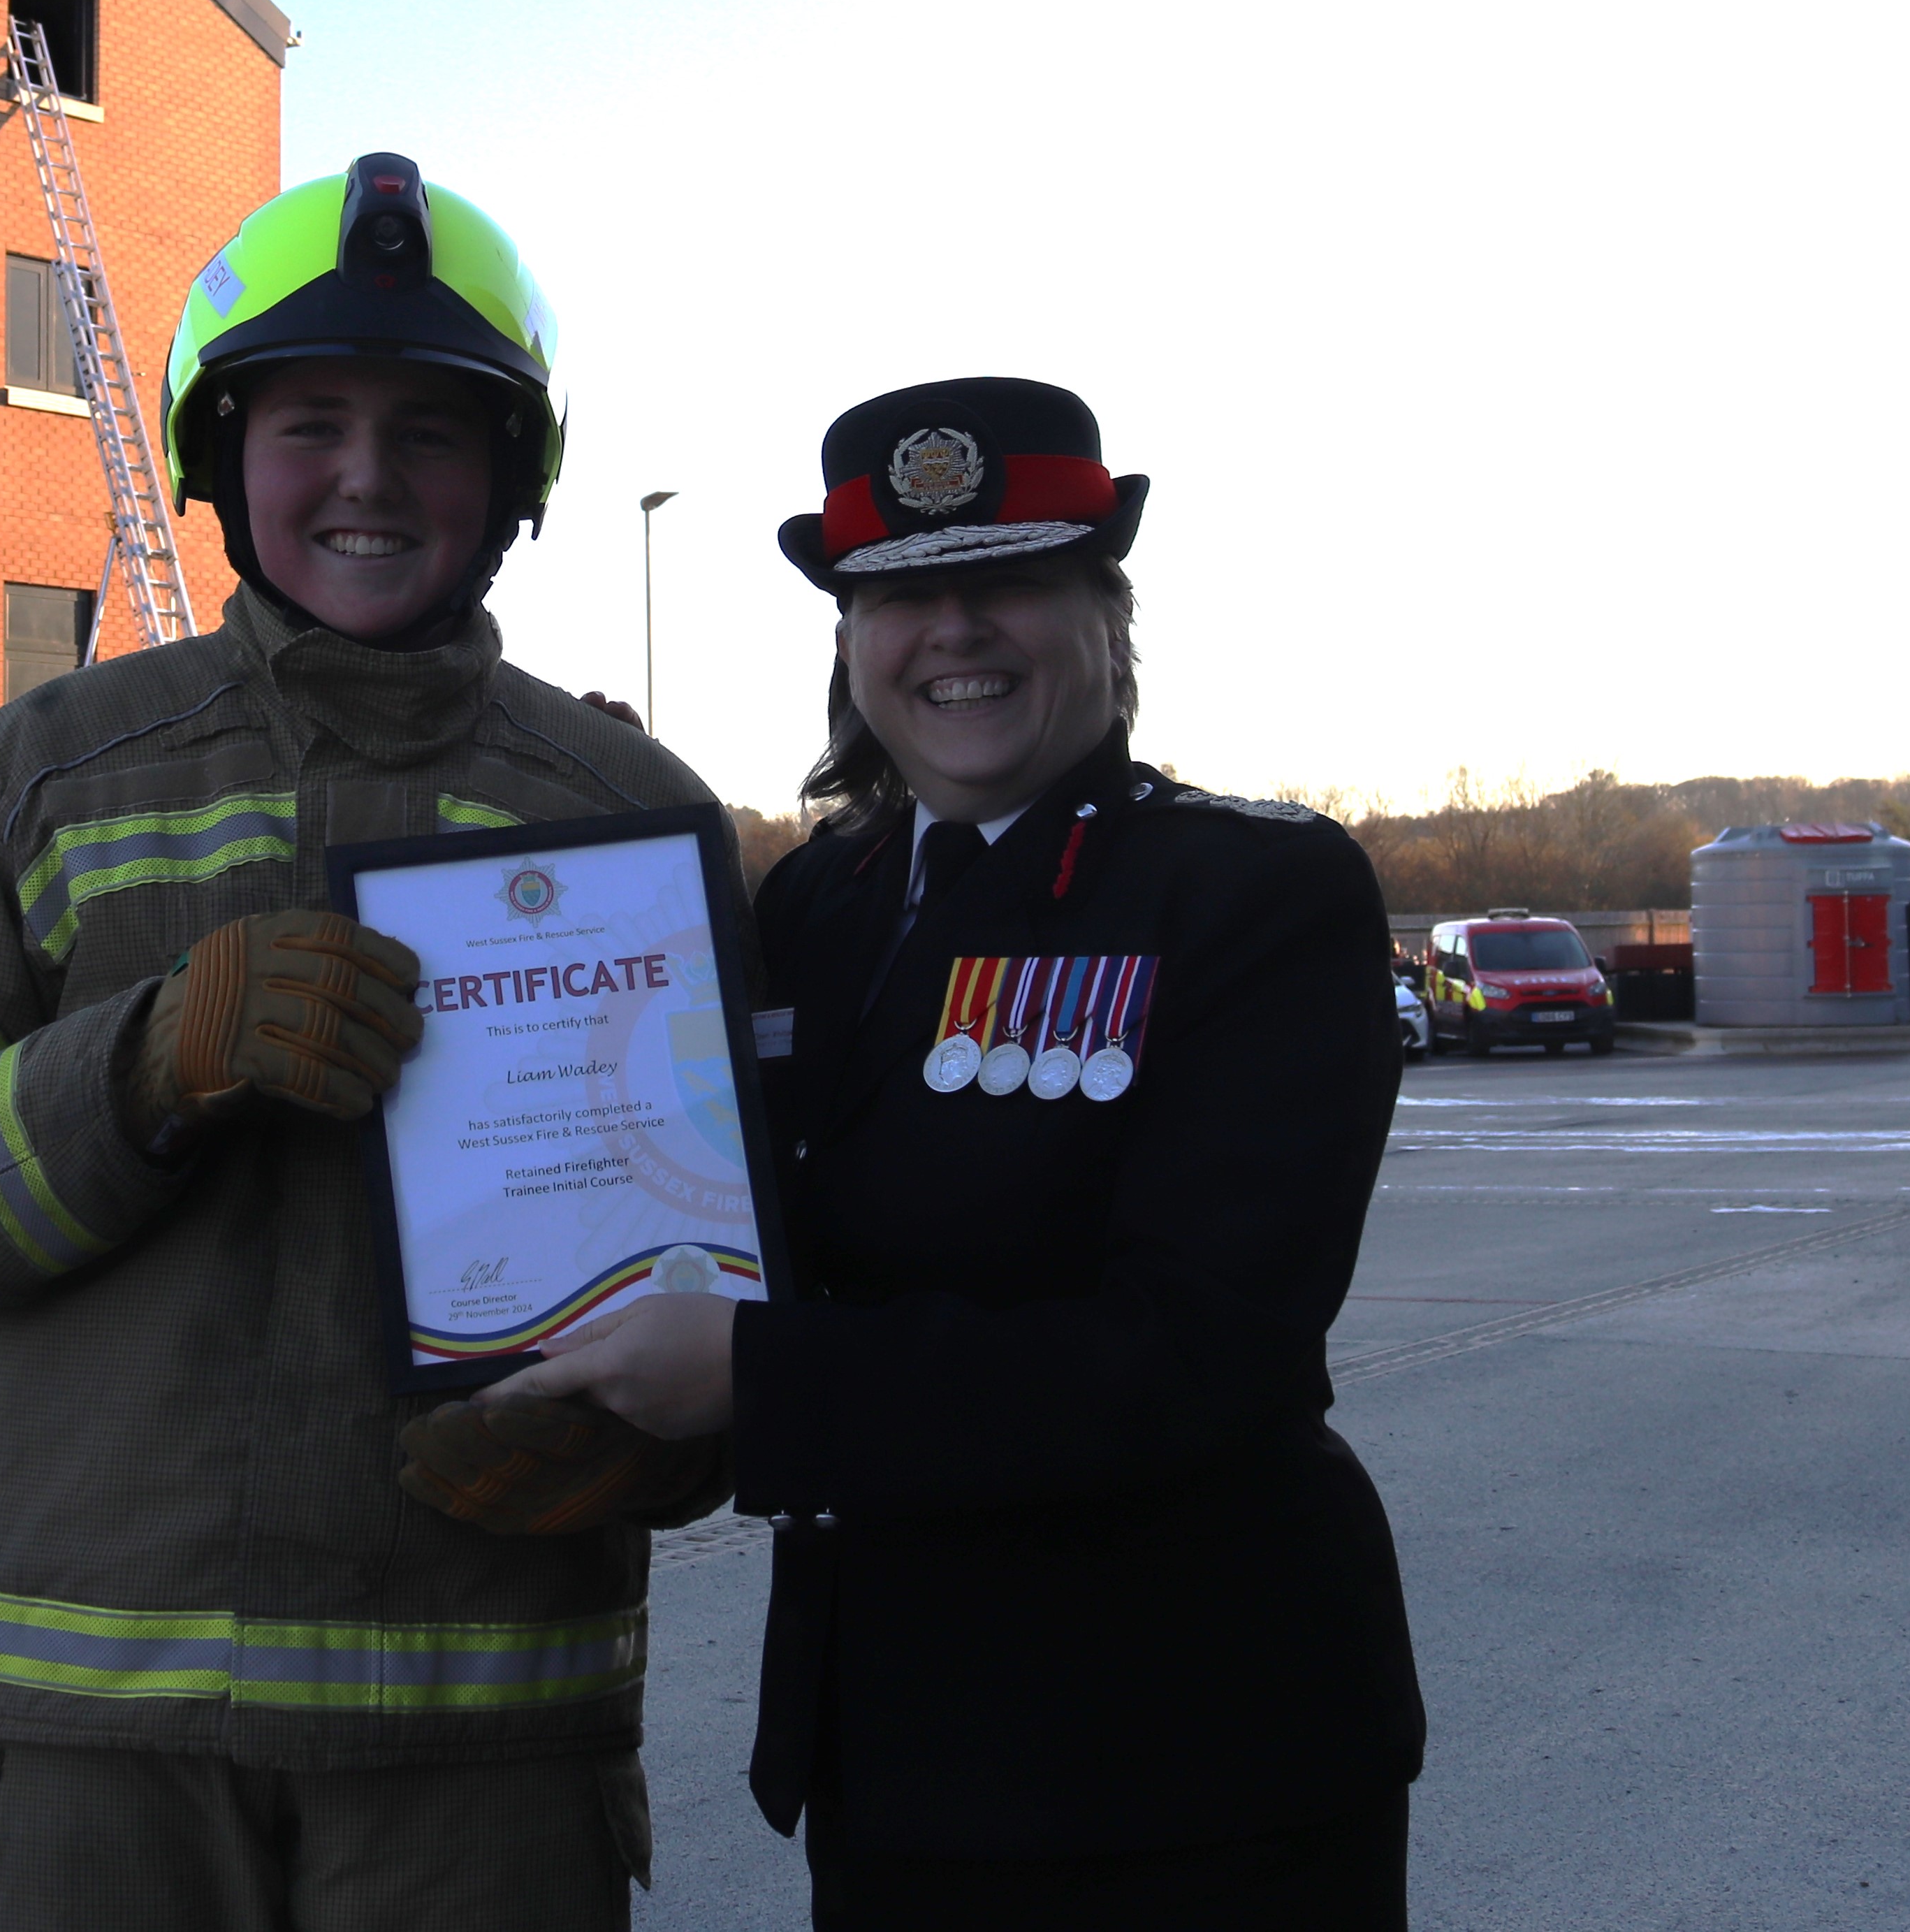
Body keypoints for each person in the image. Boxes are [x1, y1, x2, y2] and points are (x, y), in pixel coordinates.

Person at [0, 154, 726, 1932]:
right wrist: (138, 1068)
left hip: (486, 1752)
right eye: (312, 424)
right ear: (219, 460)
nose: (368, 477)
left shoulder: (625, 820)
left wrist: (662, 1444)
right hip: (87, 1759)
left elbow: (718, 1260)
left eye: (433, 430)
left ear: (513, 482)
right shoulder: (39, 779)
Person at [486, 378, 1427, 1927]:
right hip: (898, 1753)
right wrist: (589, 860)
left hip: (1197, 1770)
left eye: (1013, 582)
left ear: (1105, 616)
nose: (957, 634)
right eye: (905, 596)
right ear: (852, 643)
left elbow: (1207, 1351)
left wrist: (757, 1380)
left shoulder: (1249, 894)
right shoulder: (818, 910)